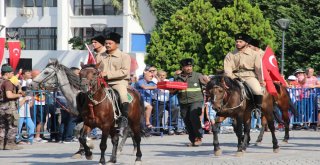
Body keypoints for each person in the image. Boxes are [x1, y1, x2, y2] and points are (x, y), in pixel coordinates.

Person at [96, 32, 131, 135]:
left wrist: (107, 74)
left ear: (117, 44)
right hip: (102, 83)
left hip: (118, 82)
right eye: (106, 43)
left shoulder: (124, 56)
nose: (107, 45)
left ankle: (124, 119)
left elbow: (125, 71)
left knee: (123, 96)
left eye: (110, 43)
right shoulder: (100, 56)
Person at [224, 33, 264, 118]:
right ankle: (222, 108)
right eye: (237, 41)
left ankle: (257, 108)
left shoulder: (255, 54)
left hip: (249, 76)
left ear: (246, 43)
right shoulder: (230, 54)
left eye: (240, 41)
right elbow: (227, 69)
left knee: (257, 90)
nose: (237, 43)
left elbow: (258, 69)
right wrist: (230, 78)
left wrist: (261, 80)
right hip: (234, 77)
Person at [174, 58, 205, 146]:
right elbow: (174, 90)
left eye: (190, 66)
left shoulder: (198, 75)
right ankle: (193, 139)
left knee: (193, 116)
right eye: (187, 66)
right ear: (182, 67)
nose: (189, 68)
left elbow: (207, 84)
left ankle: (199, 137)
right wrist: (171, 90)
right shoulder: (178, 77)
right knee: (187, 120)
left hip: (196, 100)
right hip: (183, 102)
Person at [0, 64, 24, 150]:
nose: (13, 74)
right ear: (6, 73)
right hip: (9, 108)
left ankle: (1, 144)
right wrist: (18, 95)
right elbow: (9, 95)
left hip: (1, 108)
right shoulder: (7, 82)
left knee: (2, 126)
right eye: (11, 73)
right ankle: (10, 144)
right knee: (12, 126)